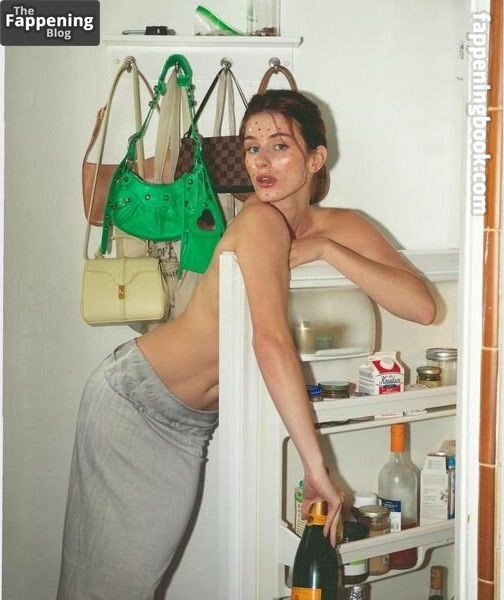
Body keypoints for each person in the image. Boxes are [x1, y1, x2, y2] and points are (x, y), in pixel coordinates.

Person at [57, 89, 436, 599]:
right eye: (252, 148)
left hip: (188, 423)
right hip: (137, 404)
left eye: (279, 146)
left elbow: (421, 306)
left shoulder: (341, 227)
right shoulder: (259, 222)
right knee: (107, 590)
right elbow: (271, 343)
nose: (261, 161)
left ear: (316, 158)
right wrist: (316, 467)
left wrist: (327, 249)